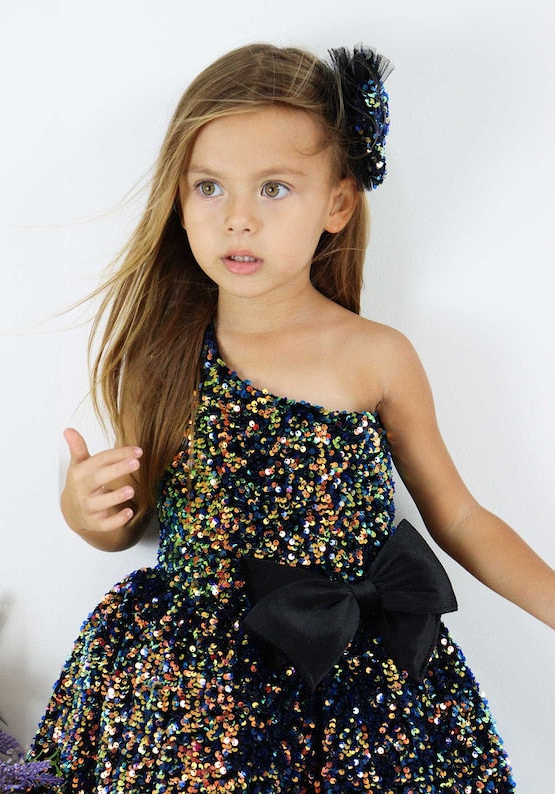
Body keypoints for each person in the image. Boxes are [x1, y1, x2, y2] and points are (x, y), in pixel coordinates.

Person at [32, 43, 554, 792]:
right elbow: (135, 521)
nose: (238, 219)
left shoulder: (376, 356)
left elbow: (460, 516)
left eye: (274, 189)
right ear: (179, 199)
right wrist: (88, 514)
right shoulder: (164, 353)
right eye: (209, 187)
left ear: (337, 204)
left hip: (360, 688)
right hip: (193, 694)